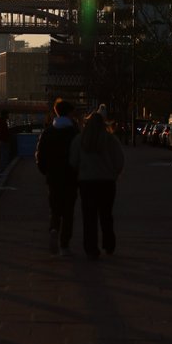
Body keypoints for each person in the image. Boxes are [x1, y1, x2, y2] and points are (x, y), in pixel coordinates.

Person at [70, 108, 125, 258]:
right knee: (106, 214)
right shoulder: (111, 140)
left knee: (89, 216)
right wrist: (113, 173)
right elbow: (120, 160)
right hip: (107, 182)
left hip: (87, 183)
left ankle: (91, 248)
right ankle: (109, 244)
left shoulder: (79, 140)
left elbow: (73, 162)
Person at [36, 98, 80, 256]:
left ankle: (54, 228)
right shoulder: (74, 132)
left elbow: (40, 155)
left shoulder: (48, 131)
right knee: (68, 211)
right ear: (68, 113)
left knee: (55, 208)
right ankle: (65, 243)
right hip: (70, 176)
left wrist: (45, 171)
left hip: (53, 176)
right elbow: (79, 154)